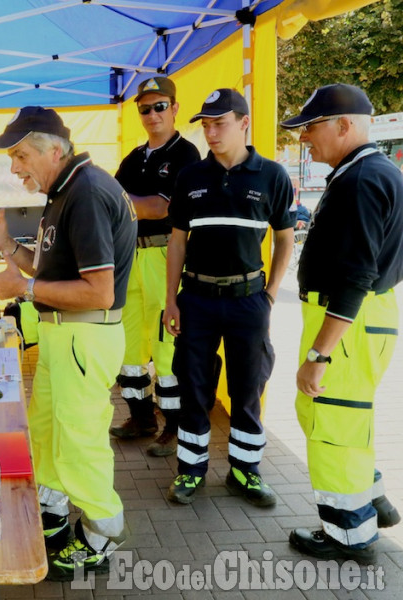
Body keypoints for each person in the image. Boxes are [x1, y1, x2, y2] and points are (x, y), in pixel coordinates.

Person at [0, 106, 137, 580]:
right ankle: (53, 511)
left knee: (78, 438)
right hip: (65, 336)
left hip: (84, 334)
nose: (14, 167)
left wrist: (21, 290)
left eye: (21, 155)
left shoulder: (85, 194)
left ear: (55, 150)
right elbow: (51, 272)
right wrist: (7, 246)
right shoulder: (66, 191)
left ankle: (101, 535)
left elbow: (98, 290)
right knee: (46, 429)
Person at [280, 83, 403, 563]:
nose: (305, 138)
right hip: (366, 319)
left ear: (344, 125)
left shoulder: (358, 182)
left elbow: (355, 278)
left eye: (311, 127)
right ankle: (371, 500)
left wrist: (318, 354)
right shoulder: (374, 172)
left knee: (331, 423)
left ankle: (348, 534)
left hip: (347, 324)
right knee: (350, 418)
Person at [163, 89, 294, 506]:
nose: (211, 132)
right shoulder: (190, 177)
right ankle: (191, 471)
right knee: (194, 386)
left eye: (219, 123)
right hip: (197, 299)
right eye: (205, 124)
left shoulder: (272, 175)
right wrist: (171, 299)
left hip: (248, 300)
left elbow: (286, 240)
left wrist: (270, 296)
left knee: (248, 386)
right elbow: (177, 243)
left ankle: (246, 472)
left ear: (244, 123)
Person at [109, 76, 200, 457]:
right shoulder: (133, 157)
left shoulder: (186, 155)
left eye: (159, 106)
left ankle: (174, 428)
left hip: (166, 256)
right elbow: (114, 204)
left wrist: (115, 199)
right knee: (128, 348)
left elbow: (160, 208)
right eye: (144, 109)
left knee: (166, 350)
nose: (152, 114)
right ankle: (141, 417)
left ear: (175, 108)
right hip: (130, 257)